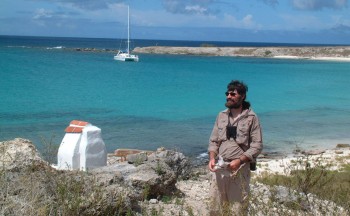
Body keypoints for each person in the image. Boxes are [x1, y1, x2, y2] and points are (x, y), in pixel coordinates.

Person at [208, 80, 263, 215]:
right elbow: (213, 140)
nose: (228, 96)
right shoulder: (221, 115)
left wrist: (239, 161)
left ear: (242, 96)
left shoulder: (251, 118)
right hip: (219, 168)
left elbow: (257, 145)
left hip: (239, 170)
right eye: (227, 93)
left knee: (236, 209)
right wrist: (211, 158)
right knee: (216, 208)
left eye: (233, 94)